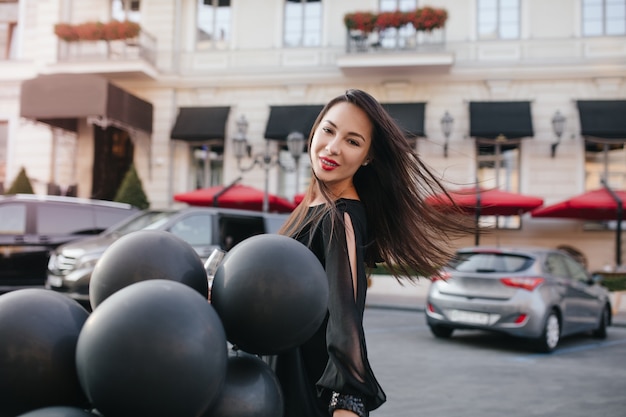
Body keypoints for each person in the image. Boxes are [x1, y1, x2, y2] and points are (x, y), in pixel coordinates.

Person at [274, 89, 473, 417]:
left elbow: (345, 319)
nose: (333, 147)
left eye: (353, 141)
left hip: (302, 388)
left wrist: (348, 401)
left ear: (367, 157)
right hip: (278, 377)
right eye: (328, 130)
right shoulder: (312, 203)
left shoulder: (343, 216)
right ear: (315, 130)